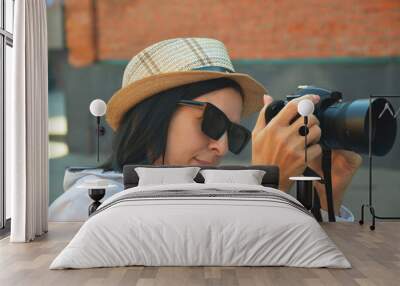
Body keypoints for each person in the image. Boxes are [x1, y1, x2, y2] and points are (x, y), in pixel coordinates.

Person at [49, 37, 362, 222]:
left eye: (235, 135)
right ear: (152, 116)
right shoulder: (86, 205)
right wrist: (271, 183)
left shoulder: (205, 197)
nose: (222, 148)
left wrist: (327, 199)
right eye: (212, 122)